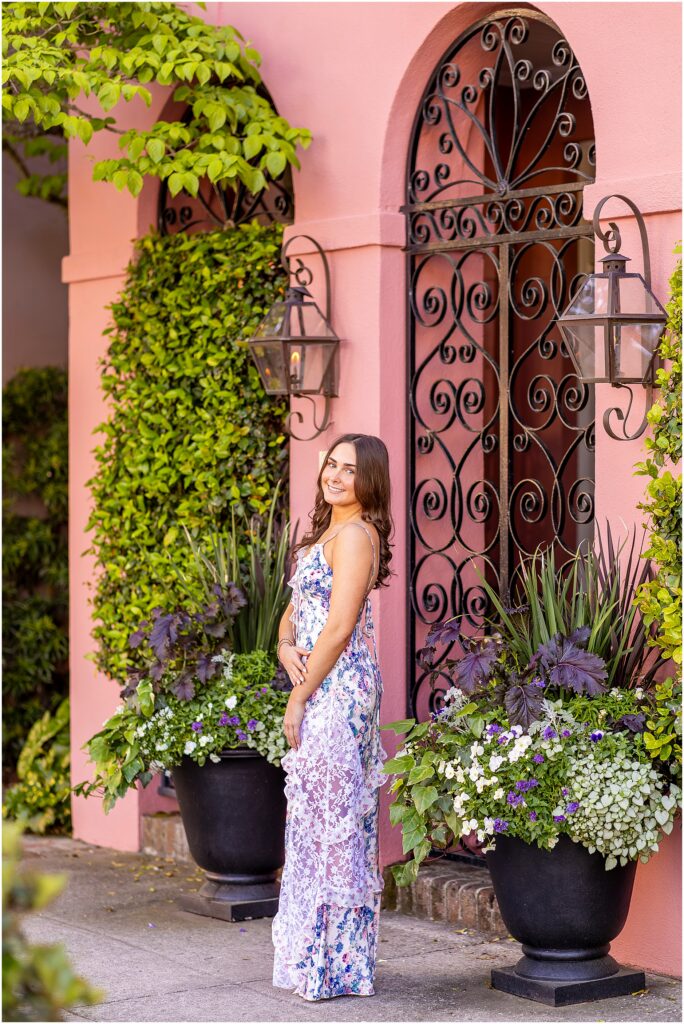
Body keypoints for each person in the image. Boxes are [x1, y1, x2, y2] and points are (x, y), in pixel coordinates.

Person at [271, 433, 394, 1001]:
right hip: (316, 678)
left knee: (334, 824)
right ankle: (312, 959)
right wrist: (282, 645)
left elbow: (341, 628)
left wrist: (298, 698)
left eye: (350, 469)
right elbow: (293, 614)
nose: (336, 475)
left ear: (368, 481)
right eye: (331, 464)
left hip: (338, 689)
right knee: (316, 819)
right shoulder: (324, 533)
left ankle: (336, 965)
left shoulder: (356, 536)